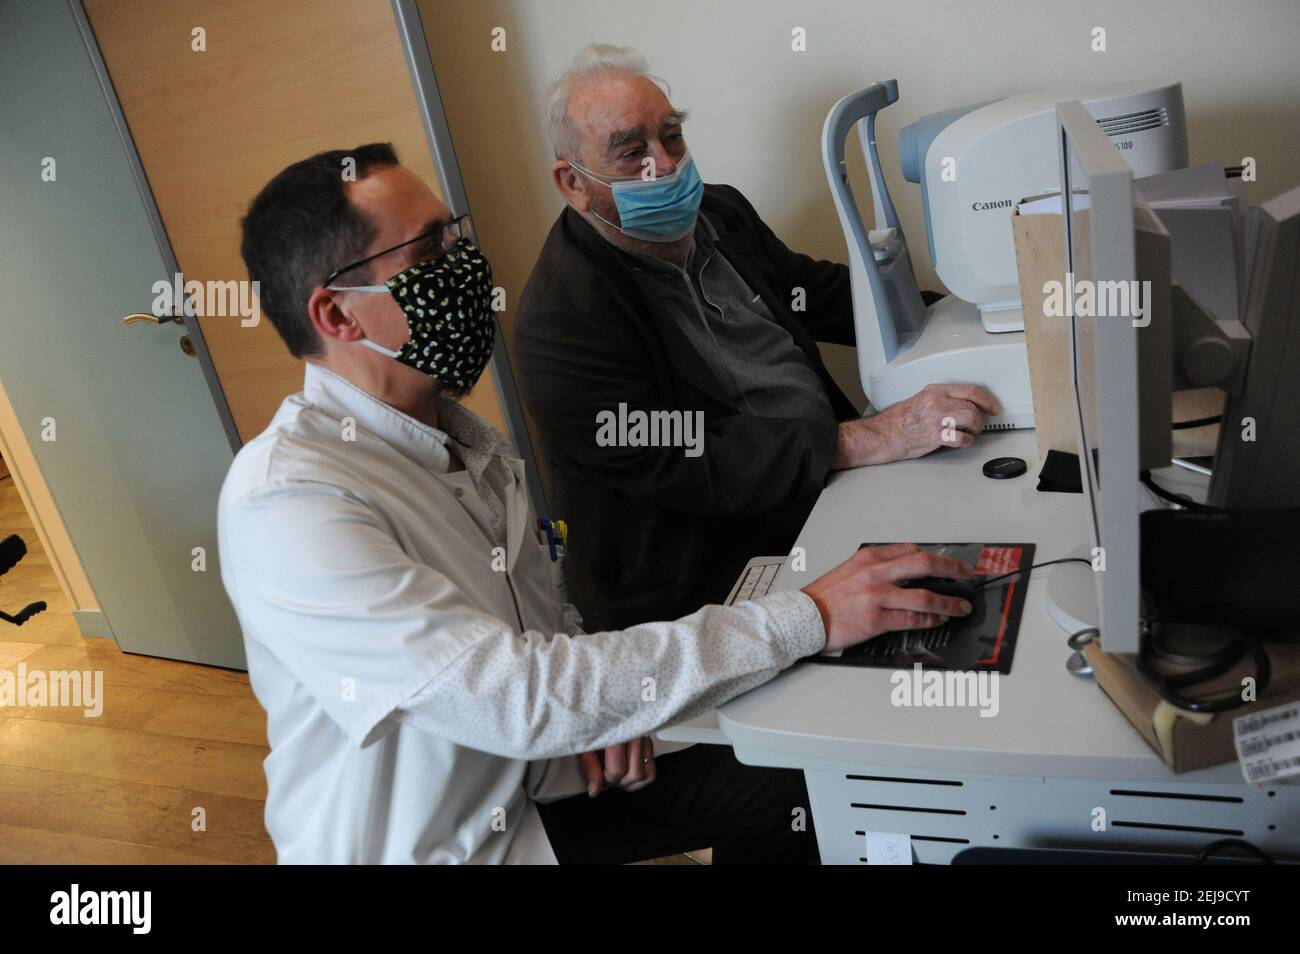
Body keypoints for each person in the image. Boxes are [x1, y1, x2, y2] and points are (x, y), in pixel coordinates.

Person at [220, 142, 977, 864]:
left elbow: (531, 623)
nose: (464, 267)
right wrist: (808, 615)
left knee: (799, 773)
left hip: (542, 775)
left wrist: (609, 709)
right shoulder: (289, 502)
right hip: (445, 845)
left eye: (456, 237)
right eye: (428, 254)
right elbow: (510, 696)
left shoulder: (461, 442)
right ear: (338, 316)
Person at [515, 45, 1000, 631]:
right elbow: (684, 453)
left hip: (824, 486)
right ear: (572, 183)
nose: (664, 165)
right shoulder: (561, 321)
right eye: (631, 151)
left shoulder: (720, 211)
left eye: (671, 136)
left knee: (988, 550)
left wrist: (973, 314)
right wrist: (867, 439)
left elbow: (816, 294)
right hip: (713, 567)